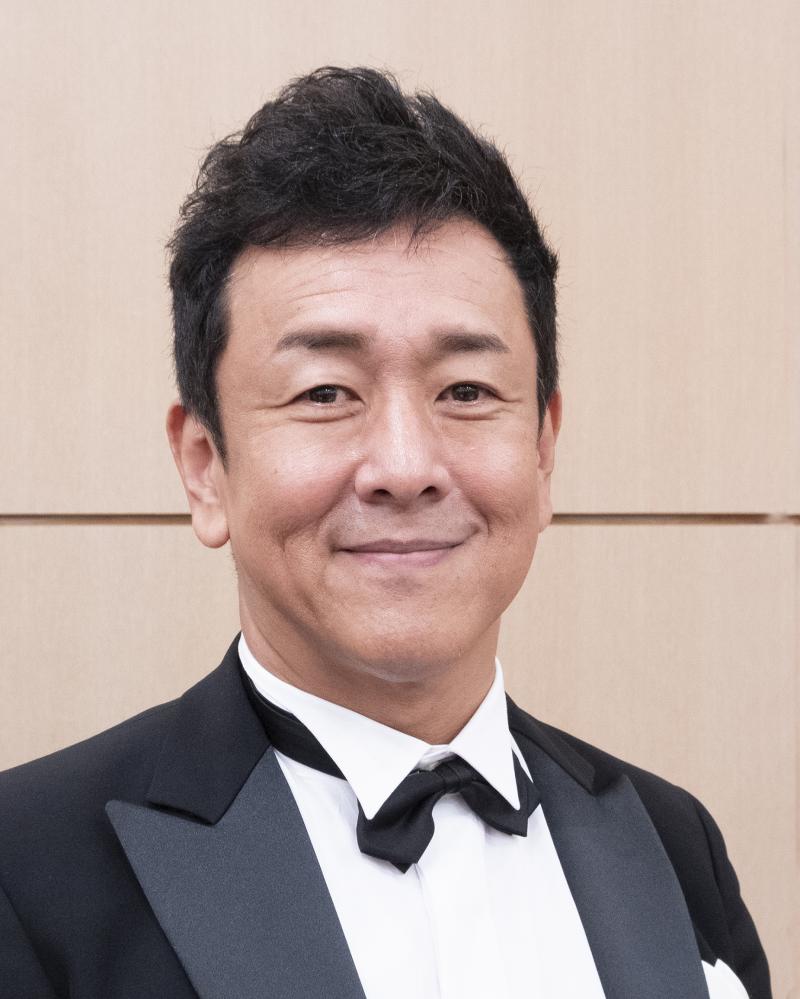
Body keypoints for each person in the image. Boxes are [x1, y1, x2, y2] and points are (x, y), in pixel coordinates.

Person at [0, 66, 770, 999]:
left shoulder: (676, 845)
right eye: (326, 392)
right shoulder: (27, 870)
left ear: (543, 449)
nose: (406, 466)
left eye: (466, 391)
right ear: (205, 464)